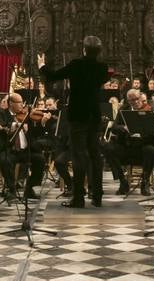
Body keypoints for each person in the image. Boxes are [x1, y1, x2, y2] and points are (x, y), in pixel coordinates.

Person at [38, 35, 109, 208]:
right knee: (94, 154)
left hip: (78, 114)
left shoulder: (76, 64)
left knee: (79, 156)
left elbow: (54, 76)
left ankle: (78, 198)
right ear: (99, 51)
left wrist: (42, 66)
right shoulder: (102, 68)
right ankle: (97, 196)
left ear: (84, 49)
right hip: (94, 114)